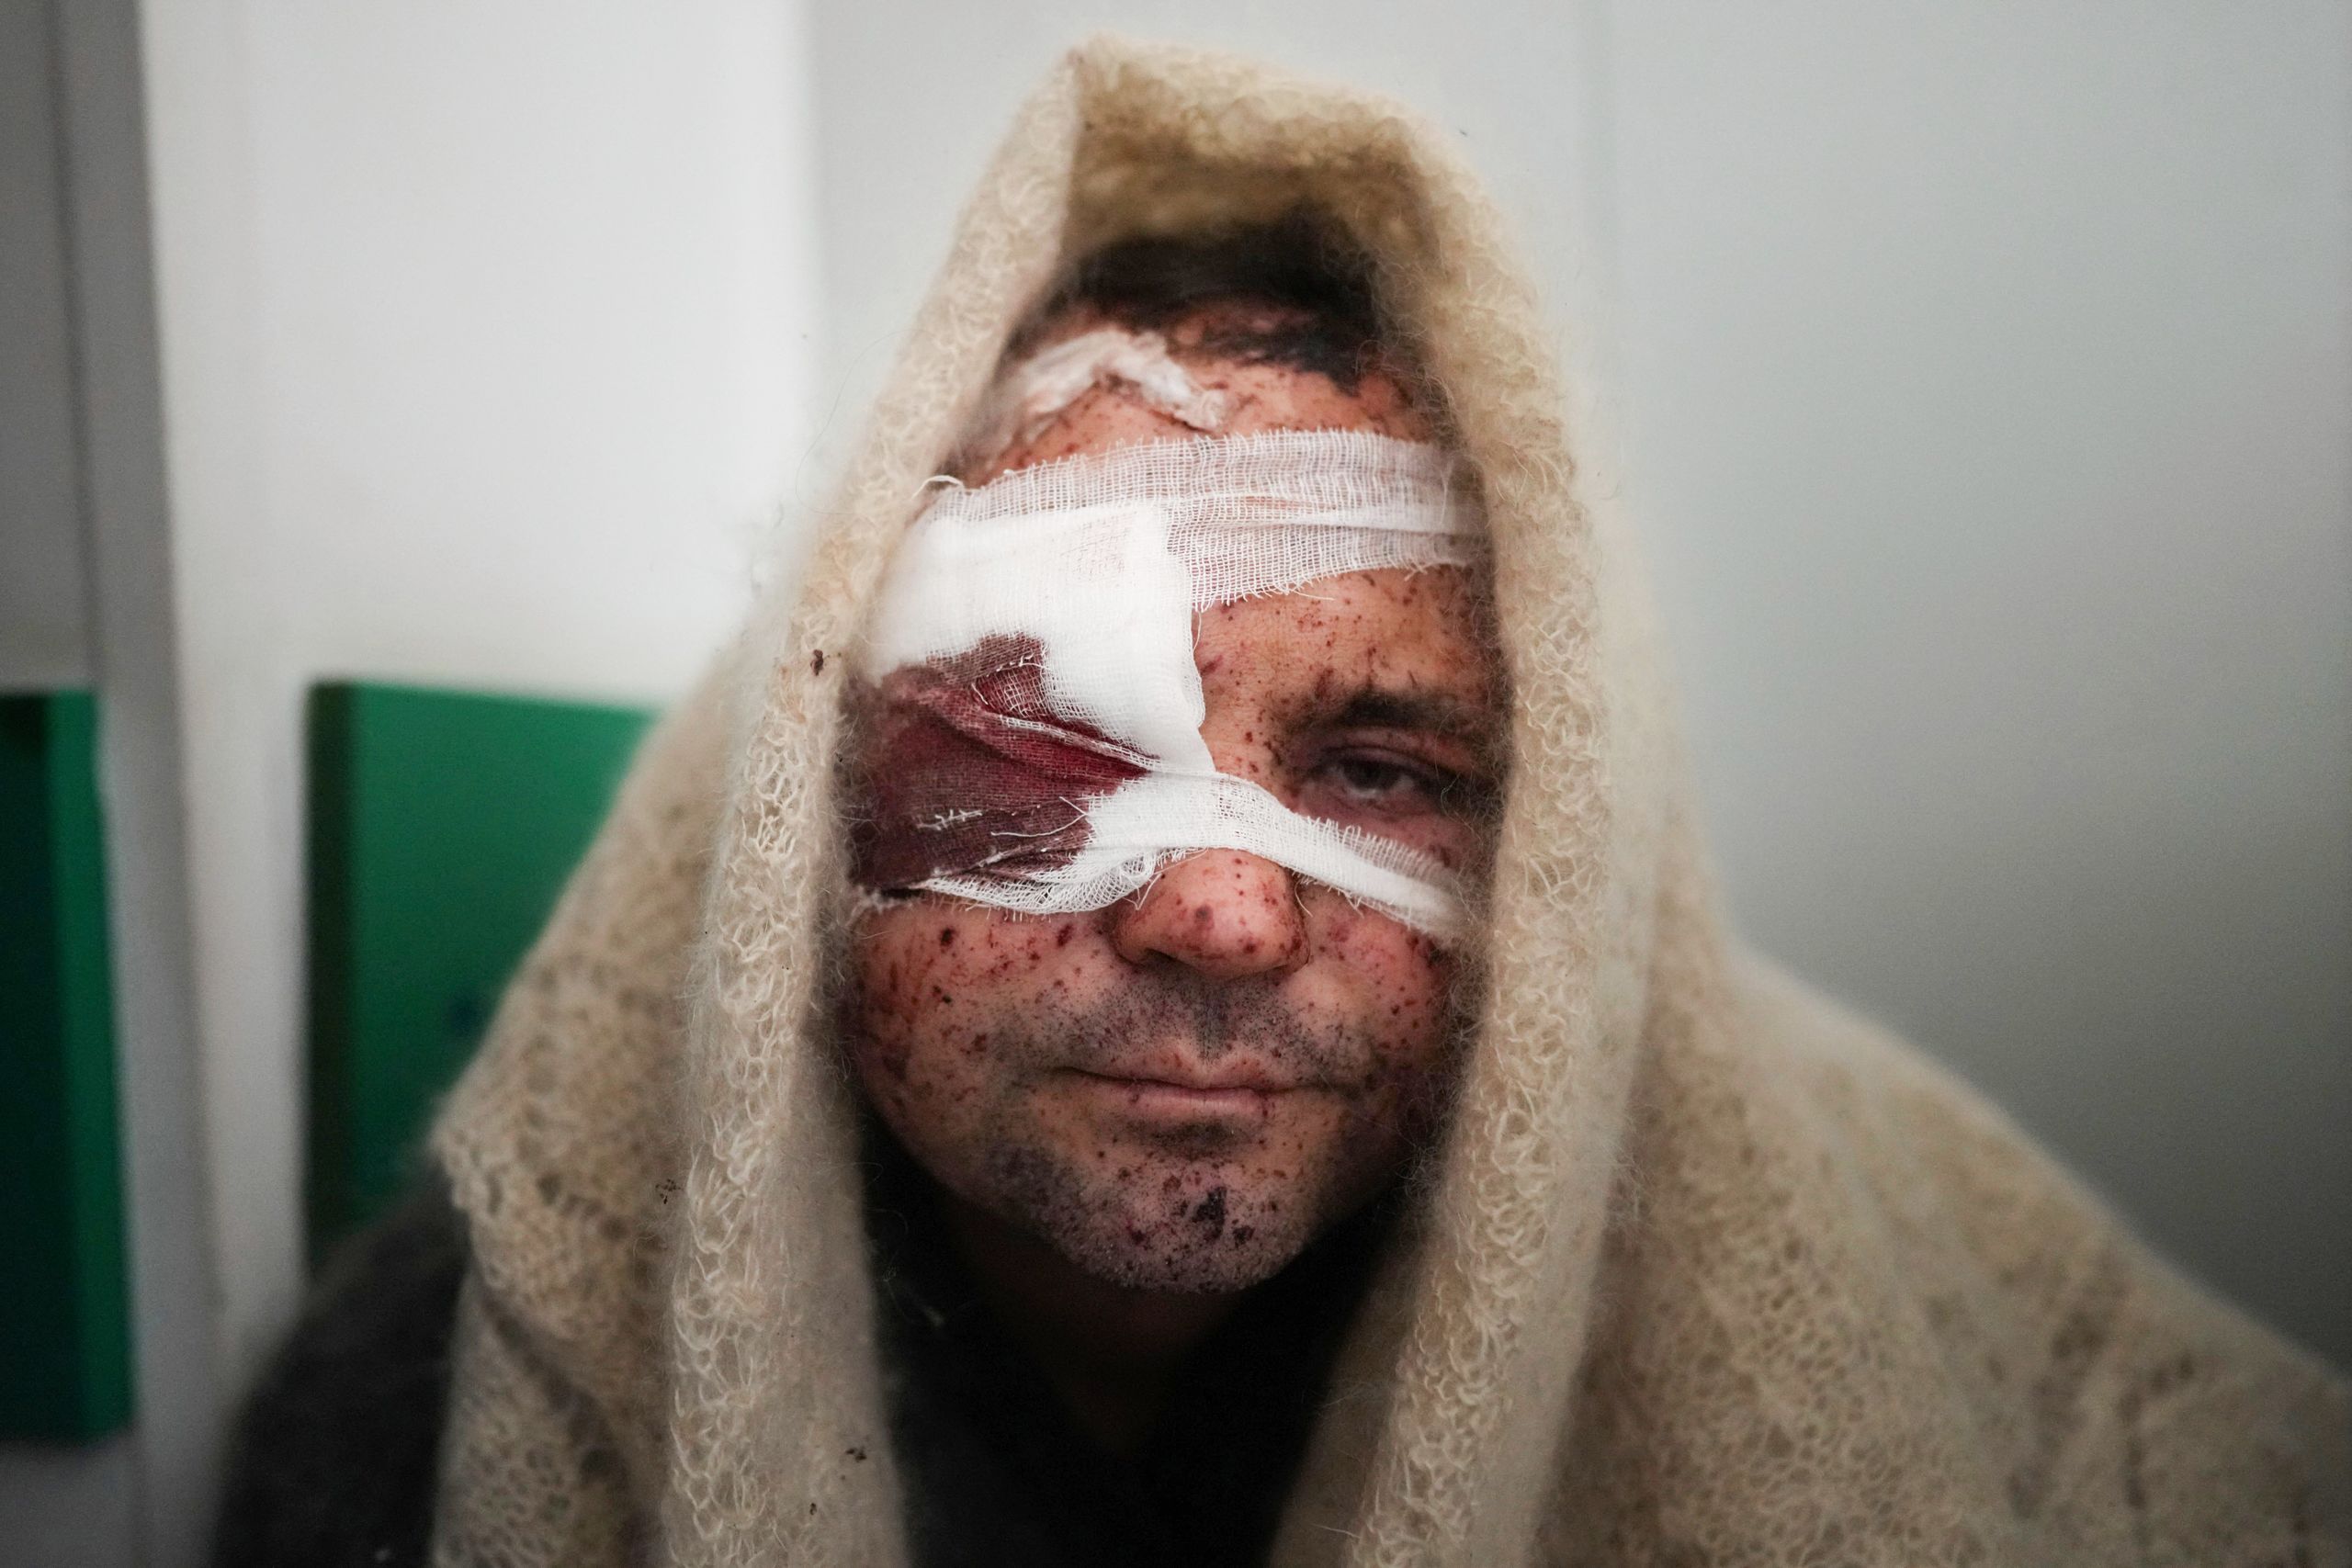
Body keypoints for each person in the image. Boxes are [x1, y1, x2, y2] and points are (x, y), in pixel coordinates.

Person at [215, 39, 2346, 1568]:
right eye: (1041, 748)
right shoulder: (464, 1390)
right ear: (800, 814)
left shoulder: (1926, 1286)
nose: (1223, 913)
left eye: (1380, 772)